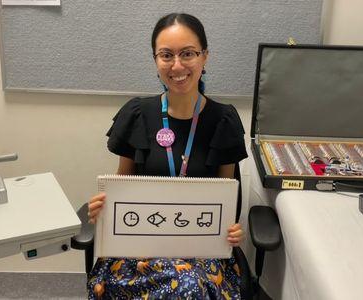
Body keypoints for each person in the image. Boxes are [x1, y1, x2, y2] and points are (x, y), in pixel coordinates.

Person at [87, 13, 248, 299]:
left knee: (188, 286)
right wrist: (103, 209)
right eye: (166, 55)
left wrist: (232, 231)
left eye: (188, 54)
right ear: (155, 60)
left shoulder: (223, 121)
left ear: (205, 57)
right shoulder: (138, 115)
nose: (177, 65)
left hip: (201, 254)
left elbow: (227, 203)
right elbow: (122, 189)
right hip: (138, 250)